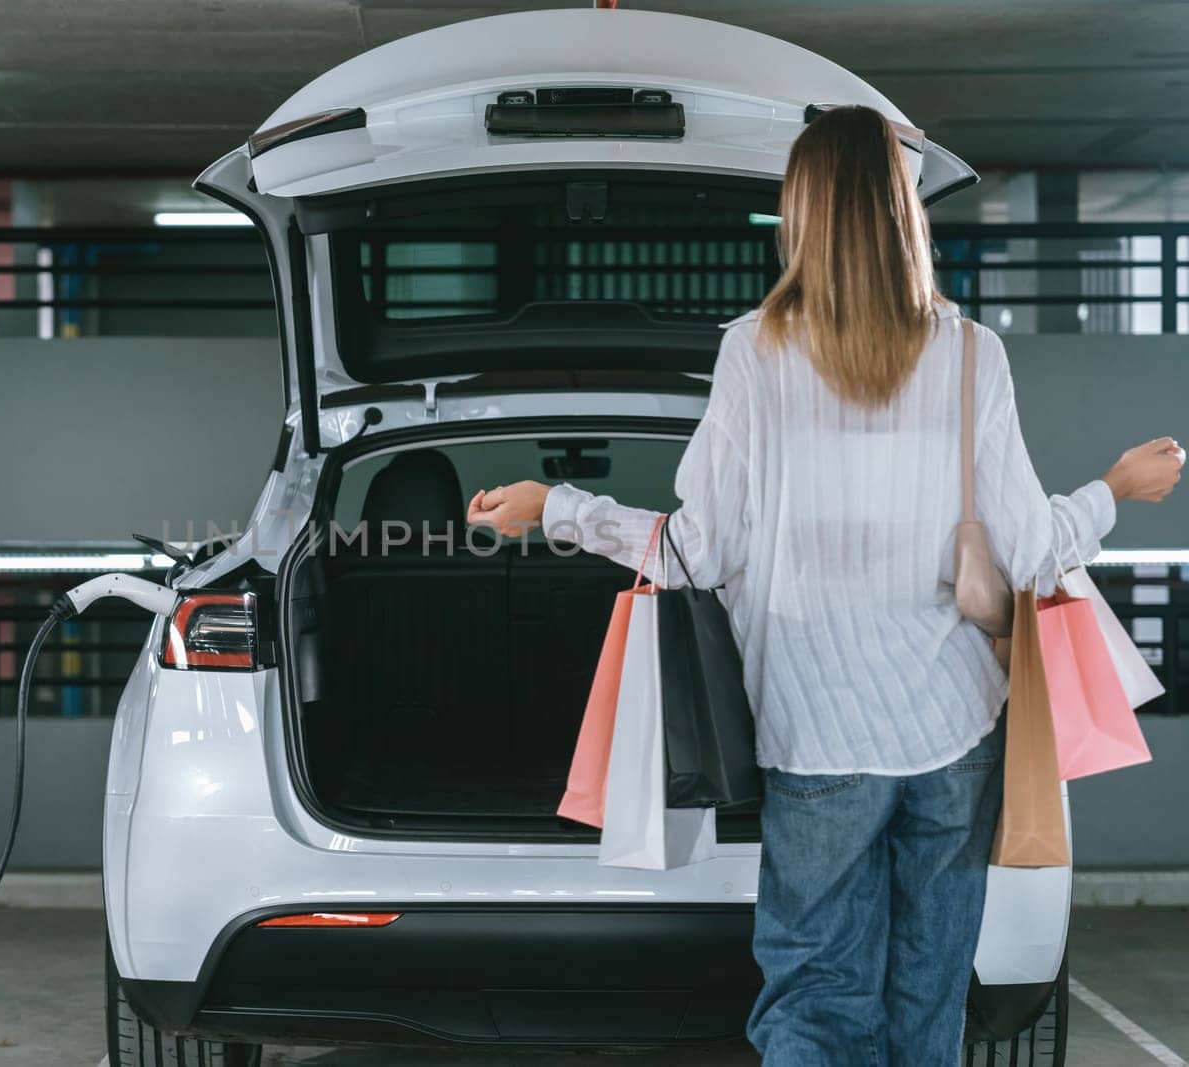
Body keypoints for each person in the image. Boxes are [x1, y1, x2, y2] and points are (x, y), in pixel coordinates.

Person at [467, 105, 1183, 1065]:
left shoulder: (755, 354)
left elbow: (697, 553)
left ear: (801, 214)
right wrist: (1114, 489)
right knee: (929, 997)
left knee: (815, 996)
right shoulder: (972, 355)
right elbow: (1021, 553)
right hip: (955, 734)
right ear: (902, 211)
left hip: (817, 740)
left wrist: (557, 506)